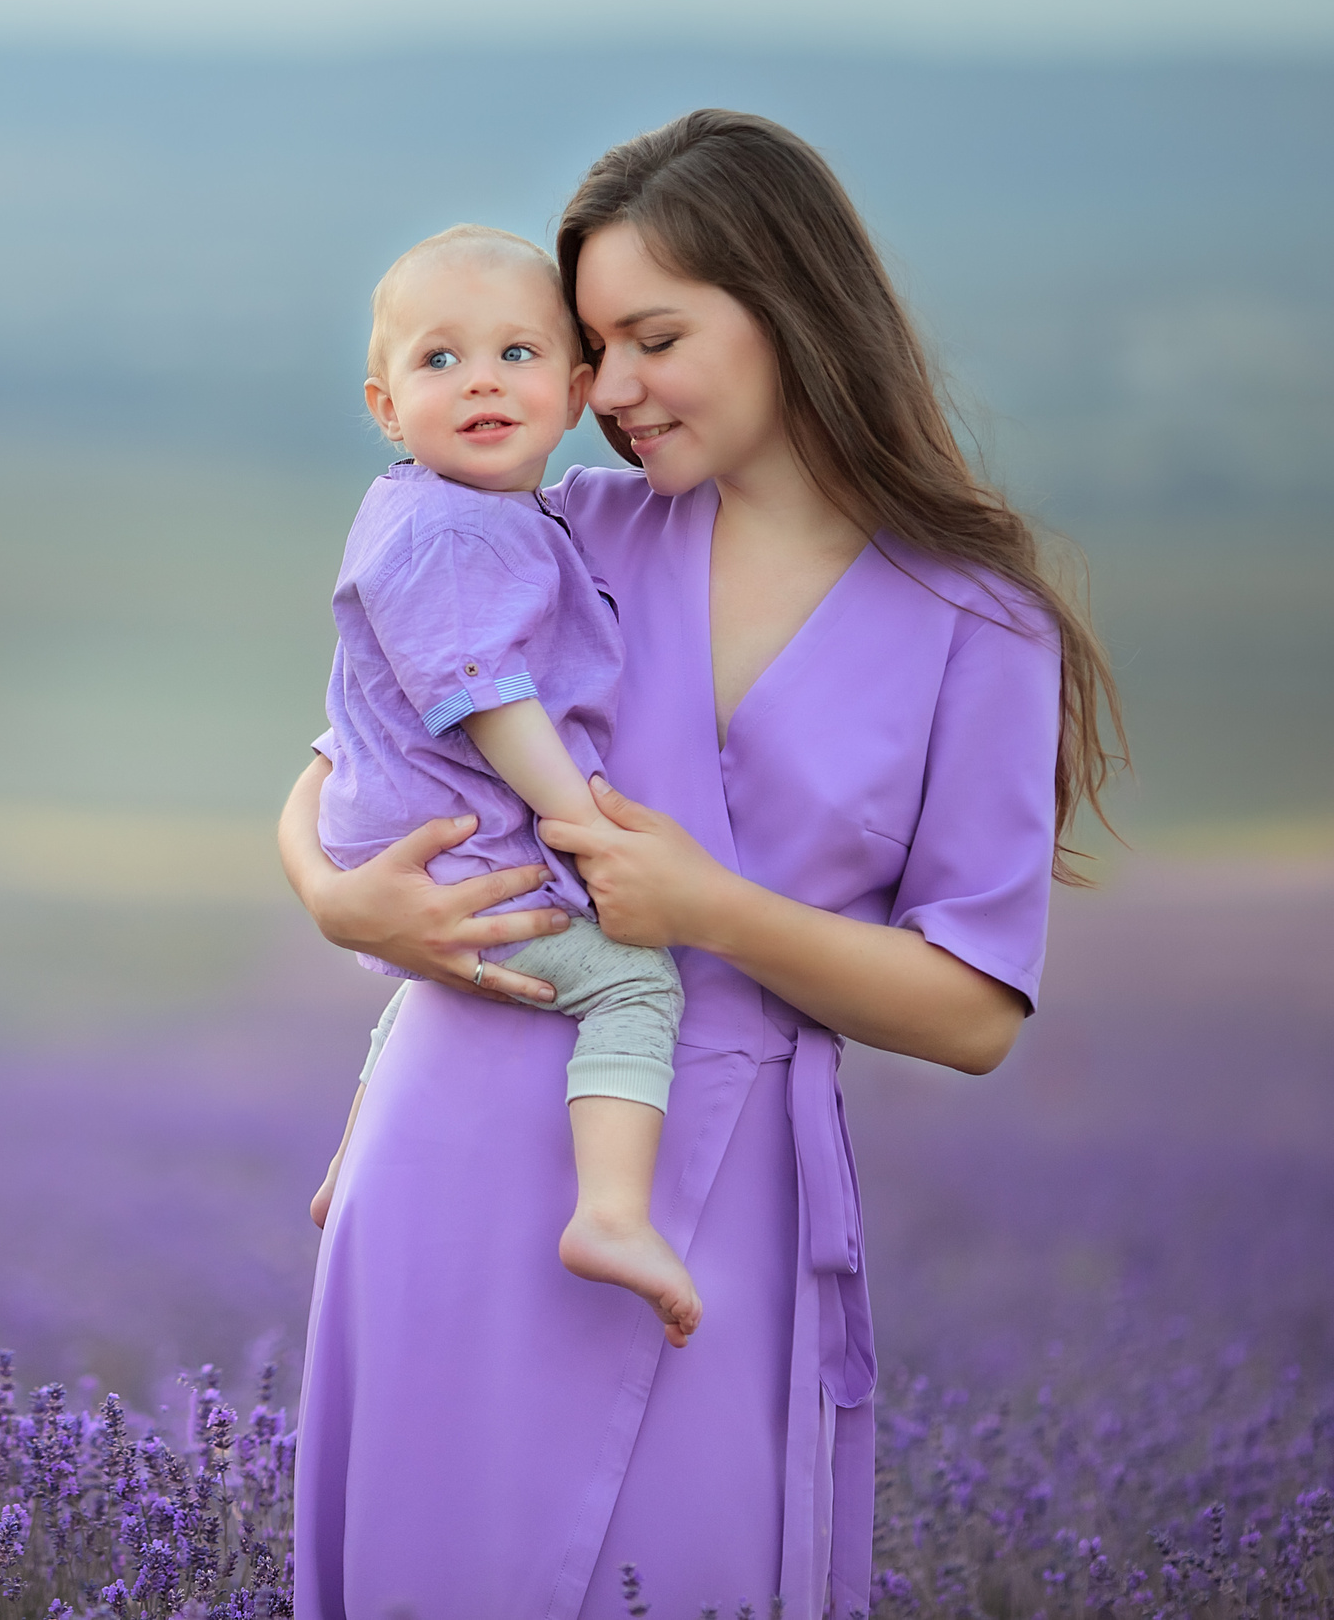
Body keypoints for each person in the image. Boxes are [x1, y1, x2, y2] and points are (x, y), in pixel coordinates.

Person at [276, 110, 1122, 1619]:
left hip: (706, 1208)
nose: (610, 391)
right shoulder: (563, 529)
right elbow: (340, 763)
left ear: (790, 309)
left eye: (652, 337)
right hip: (450, 1141)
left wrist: (713, 910)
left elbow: (976, 1012)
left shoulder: (977, 623)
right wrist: (337, 896)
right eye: (590, 345)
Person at [305, 224, 694, 1345]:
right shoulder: (456, 532)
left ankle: (348, 1165)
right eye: (439, 361)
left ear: (575, 390)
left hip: (408, 837)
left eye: (516, 355)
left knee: (417, 991)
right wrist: (579, 820)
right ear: (385, 406)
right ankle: (612, 1213)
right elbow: (487, 695)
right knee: (632, 983)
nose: (479, 378)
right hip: (462, 849)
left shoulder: (454, 511)